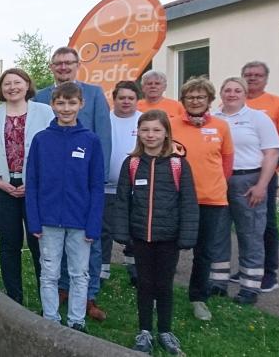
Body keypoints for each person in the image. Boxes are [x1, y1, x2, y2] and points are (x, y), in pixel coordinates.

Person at [33, 46, 111, 321]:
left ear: (77, 65)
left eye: (68, 62)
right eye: (58, 63)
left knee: (86, 255)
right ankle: (58, 298)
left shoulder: (94, 94)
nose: (63, 67)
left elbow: (104, 134)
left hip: (82, 193)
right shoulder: (41, 97)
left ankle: (87, 299)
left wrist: (96, 186)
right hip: (52, 199)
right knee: (52, 262)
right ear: (52, 67)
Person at [111, 110, 198, 356]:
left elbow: (188, 202)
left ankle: (165, 331)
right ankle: (145, 331)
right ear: (138, 132)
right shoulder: (132, 163)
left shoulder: (177, 164)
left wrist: (187, 235)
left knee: (164, 284)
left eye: (156, 130)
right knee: (145, 284)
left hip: (168, 237)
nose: (150, 135)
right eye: (145, 130)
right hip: (140, 236)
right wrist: (122, 230)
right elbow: (122, 200)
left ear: (166, 133)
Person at [0, 68, 54, 304]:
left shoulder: (45, 112)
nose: (12, 87)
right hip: (2, 187)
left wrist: (33, 183)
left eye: (17, 82)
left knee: (38, 242)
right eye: (7, 83)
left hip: (36, 189)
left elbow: (52, 150)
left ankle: (47, 299)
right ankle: (14, 298)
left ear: (27, 84)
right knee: (9, 243)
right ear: (1, 89)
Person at [212, 77, 279, 305]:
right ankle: (217, 282)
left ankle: (250, 287)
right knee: (218, 233)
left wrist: (262, 185)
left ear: (244, 94)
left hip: (248, 181)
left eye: (237, 90)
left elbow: (271, 153)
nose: (232, 94)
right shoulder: (213, 118)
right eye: (227, 90)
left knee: (250, 234)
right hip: (220, 182)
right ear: (221, 93)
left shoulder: (258, 118)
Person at [172, 77, 234, 322]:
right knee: (169, 247)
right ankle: (160, 293)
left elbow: (227, 162)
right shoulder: (171, 124)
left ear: (209, 100)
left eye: (200, 97)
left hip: (211, 199)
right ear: (183, 100)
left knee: (205, 251)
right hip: (178, 198)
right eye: (190, 97)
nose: (195, 101)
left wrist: (216, 184)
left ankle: (198, 298)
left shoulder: (221, 126)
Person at [242, 61, 279, 292]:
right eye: (248, 75)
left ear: (266, 79)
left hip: (264, 175)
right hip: (237, 174)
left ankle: (269, 273)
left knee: (266, 223)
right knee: (244, 223)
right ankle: (248, 268)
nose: (252, 78)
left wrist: (271, 163)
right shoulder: (234, 101)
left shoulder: (276, 103)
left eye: (257, 75)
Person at [103, 81, 144, 288]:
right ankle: (102, 270)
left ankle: (135, 269)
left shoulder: (144, 120)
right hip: (107, 186)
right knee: (104, 230)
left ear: (137, 99)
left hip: (137, 188)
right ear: (114, 98)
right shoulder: (105, 119)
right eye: (122, 97)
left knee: (135, 230)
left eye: (131, 98)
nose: (126, 101)